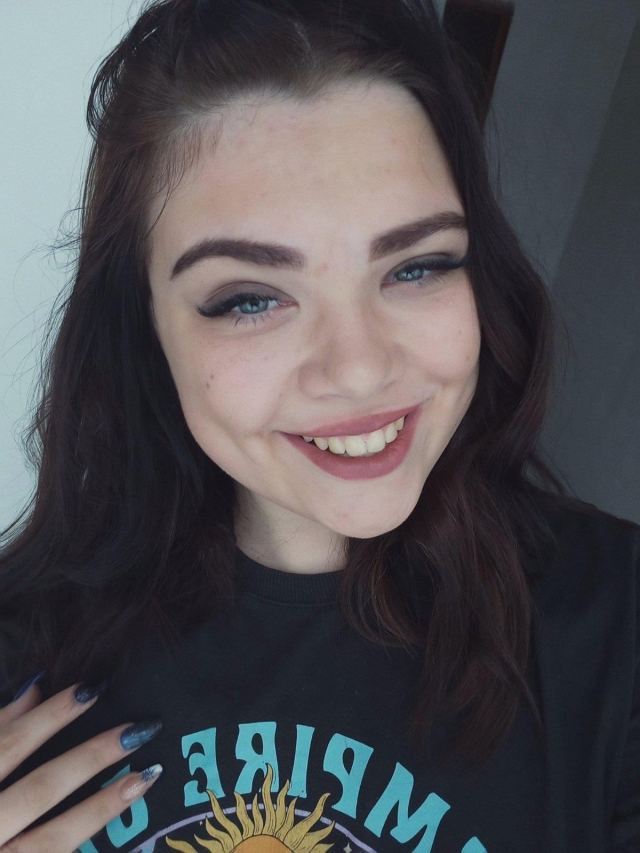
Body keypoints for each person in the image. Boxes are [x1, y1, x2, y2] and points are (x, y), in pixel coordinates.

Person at [0, 0, 638, 850]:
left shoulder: (619, 631)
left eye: (417, 266)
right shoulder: (17, 652)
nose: (360, 368)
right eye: (251, 298)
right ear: (144, 329)